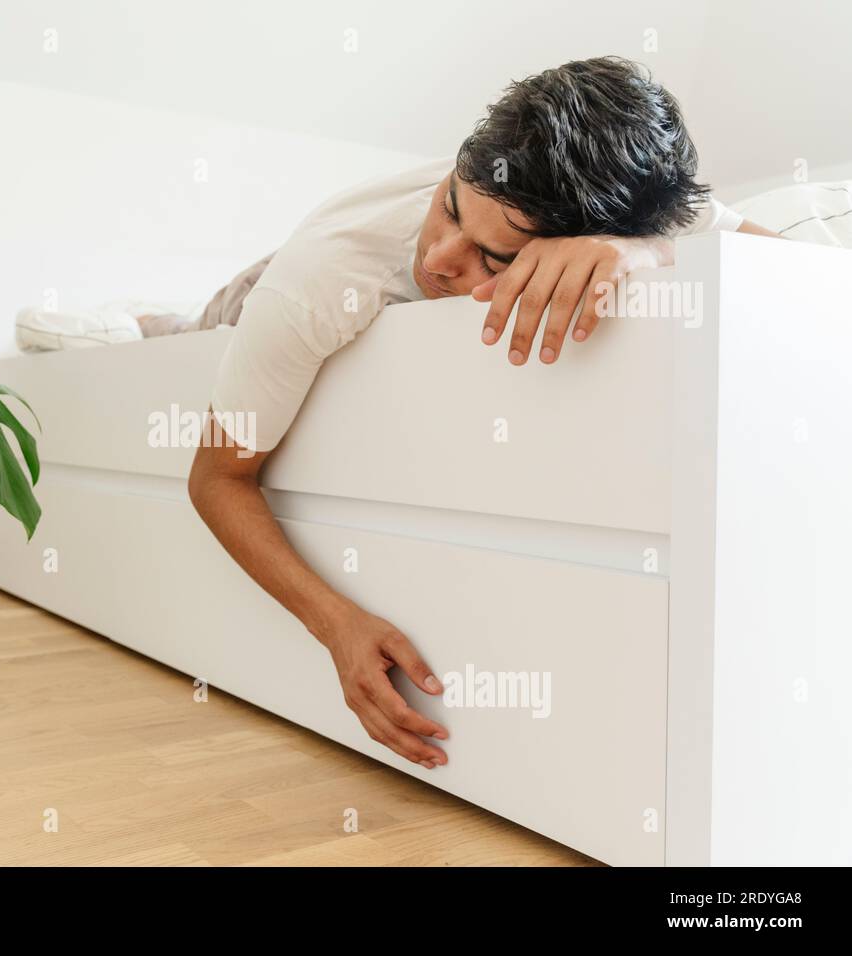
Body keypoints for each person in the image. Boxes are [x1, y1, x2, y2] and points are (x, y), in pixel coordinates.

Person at [172, 57, 781, 769]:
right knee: (187, 323)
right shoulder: (321, 280)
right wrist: (336, 624)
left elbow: (793, 265)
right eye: (449, 204)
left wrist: (639, 255)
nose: (438, 257)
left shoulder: (626, 191)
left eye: (494, 258)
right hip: (253, 291)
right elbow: (216, 476)